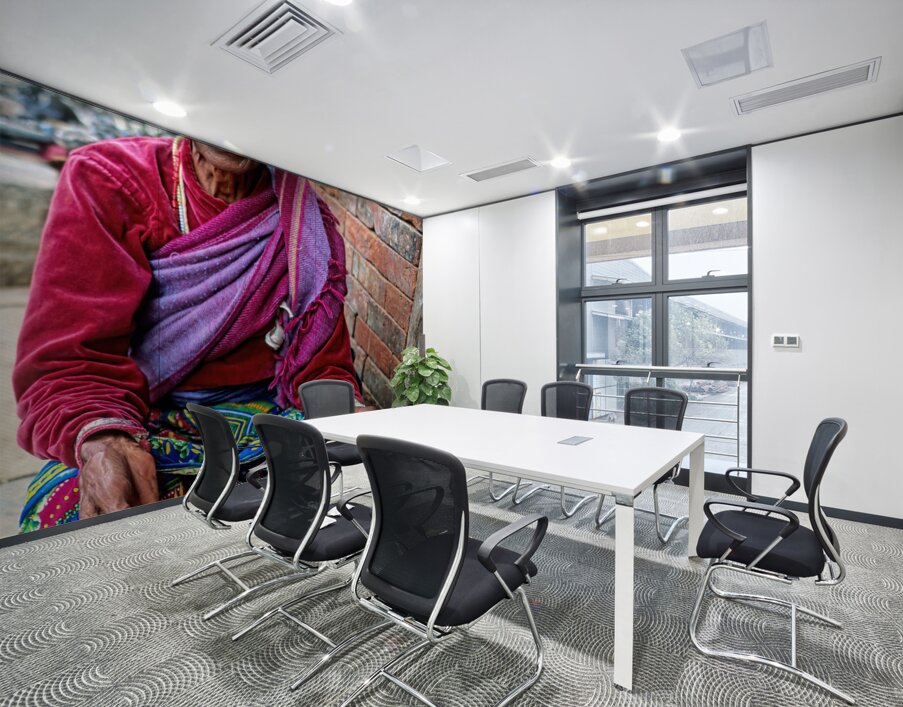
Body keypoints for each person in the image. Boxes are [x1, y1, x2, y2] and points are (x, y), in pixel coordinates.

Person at [13, 136, 361, 531]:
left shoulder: (306, 221)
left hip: (264, 418)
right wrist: (104, 440)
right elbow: (71, 360)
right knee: (73, 512)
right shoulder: (108, 176)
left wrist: (354, 424)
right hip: (142, 413)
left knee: (336, 507)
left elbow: (322, 369)